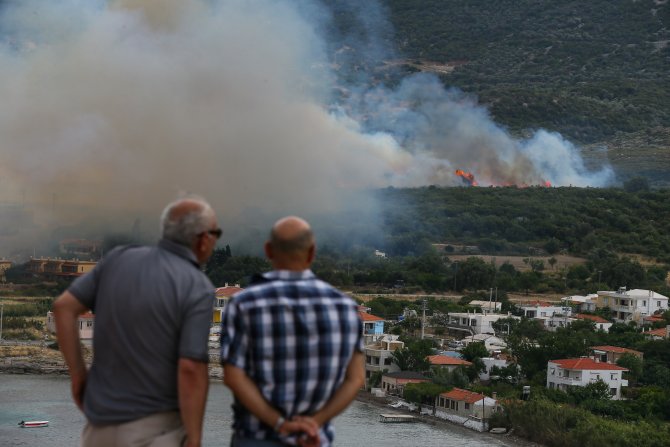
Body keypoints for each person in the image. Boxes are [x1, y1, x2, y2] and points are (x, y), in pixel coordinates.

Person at [53, 196, 220, 447]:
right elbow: (190, 368)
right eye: (215, 233)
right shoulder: (197, 286)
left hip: (99, 429)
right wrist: (194, 438)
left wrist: (78, 375)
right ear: (204, 238)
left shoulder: (117, 258)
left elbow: (63, 308)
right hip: (157, 431)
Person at [220, 216, 365, 447]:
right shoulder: (346, 308)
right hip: (313, 439)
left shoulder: (243, 304)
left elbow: (233, 377)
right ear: (312, 253)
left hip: (255, 438)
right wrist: (315, 422)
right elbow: (355, 379)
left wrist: (280, 424)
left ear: (268, 250)